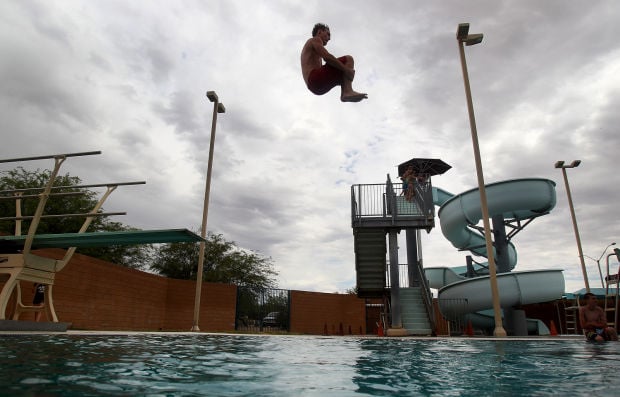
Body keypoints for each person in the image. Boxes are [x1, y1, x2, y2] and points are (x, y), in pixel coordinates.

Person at [301, 23, 368, 102]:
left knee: (342, 73)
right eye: (328, 34)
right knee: (348, 59)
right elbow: (327, 57)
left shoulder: (314, 53)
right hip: (314, 79)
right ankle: (347, 91)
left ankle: (346, 91)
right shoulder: (315, 39)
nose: (329, 38)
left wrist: (344, 75)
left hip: (316, 88)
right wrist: (346, 70)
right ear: (319, 32)